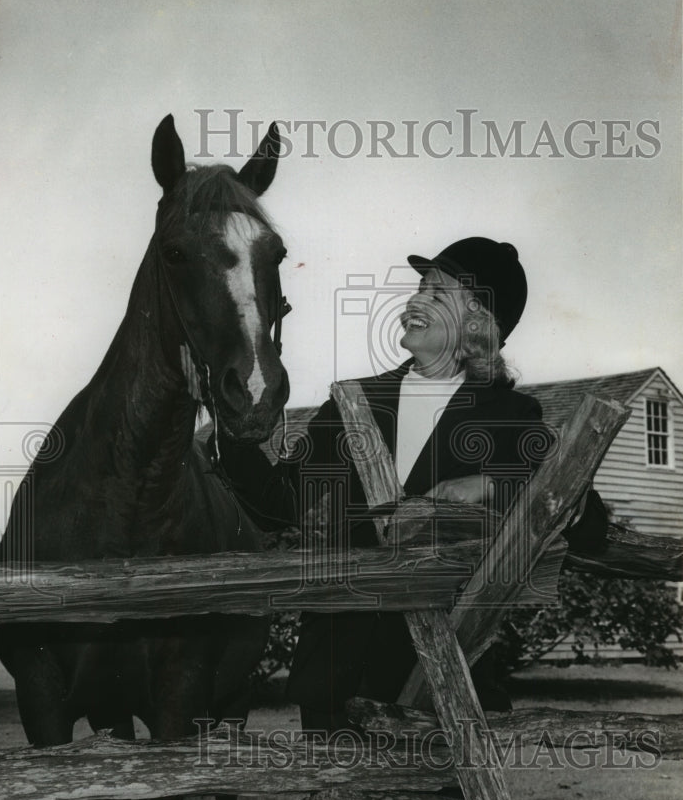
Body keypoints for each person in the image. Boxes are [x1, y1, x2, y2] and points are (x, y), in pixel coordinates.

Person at [219, 236, 607, 731]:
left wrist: (493, 485)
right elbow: (277, 505)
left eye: (438, 293)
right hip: (335, 680)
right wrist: (227, 419)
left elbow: (588, 525)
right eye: (420, 288)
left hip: (442, 684)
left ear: (478, 324)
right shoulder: (352, 404)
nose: (415, 300)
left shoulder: (513, 418)